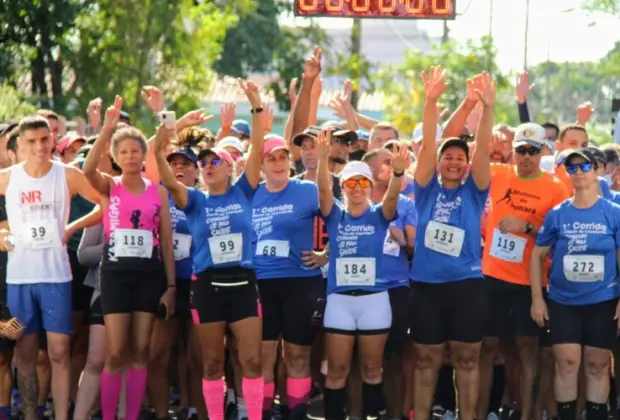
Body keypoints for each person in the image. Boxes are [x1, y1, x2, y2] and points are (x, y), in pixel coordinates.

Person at [153, 79, 265, 420]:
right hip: (207, 287)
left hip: (243, 284)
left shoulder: (243, 191)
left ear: (230, 167)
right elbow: (165, 171)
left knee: (252, 361)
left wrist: (256, 106)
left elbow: (257, 149)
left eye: (215, 161)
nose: (208, 165)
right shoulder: (195, 200)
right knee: (212, 362)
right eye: (203, 163)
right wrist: (165, 136)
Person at [82, 96, 176, 420]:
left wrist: (172, 286)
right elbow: (87, 169)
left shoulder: (157, 191)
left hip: (149, 276)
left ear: (143, 154)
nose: (131, 156)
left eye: (136, 150)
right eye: (123, 152)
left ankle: (131, 415)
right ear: (116, 156)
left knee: (140, 352)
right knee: (116, 352)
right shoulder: (109, 187)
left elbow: (165, 239)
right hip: (116, 277)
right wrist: (107, 129)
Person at [0, 115, 99, 420]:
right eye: (32, 141)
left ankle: (60, 415)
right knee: (24, 353)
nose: (40, 146)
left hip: (56, 276)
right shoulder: (7, 178)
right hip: (19, 279)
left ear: (52, 139)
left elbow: (106, 203)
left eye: (45, 139)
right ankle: (30, 415)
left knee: (58, 352)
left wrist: (71, 228)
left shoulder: (67, 175)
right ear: (20, 145)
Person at [408, 68, 494, 420]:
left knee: (468, 359)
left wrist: (488, 108)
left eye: (460, 157)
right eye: (449, 157)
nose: (455, 161)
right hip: (426, 288)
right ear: (440, 163)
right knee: (426, 361)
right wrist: (430, 101)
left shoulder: (475, 191)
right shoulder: (426, 190)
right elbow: (430, 142)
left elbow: (484, 148)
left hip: (467, 287)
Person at [317, 128, 405, 419]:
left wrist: (398, 174)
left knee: (371, 368)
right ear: (343, 187)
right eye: (350, 183)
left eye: (362, 183)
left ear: (369, 187)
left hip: (374, 301)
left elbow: (392, 201)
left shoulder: (379, 214)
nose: (356, 188)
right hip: (340, 301)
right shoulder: (334, 214)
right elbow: (322, 191)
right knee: (337, 369)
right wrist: (321, 159)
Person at [531, 148, 620, 420]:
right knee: (566, 363)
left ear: (597, 171)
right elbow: (537, 255)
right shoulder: (558, 214)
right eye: (572, 168)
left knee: (597, 365)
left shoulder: (613, 212)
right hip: (563, 301)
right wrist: (537, 298)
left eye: (584, 167)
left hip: (603, 301)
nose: (578, 173)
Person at [252, 135, 325, 419]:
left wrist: (326, 254)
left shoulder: (307, 190)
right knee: (263, 357)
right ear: (260, 162)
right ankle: (265, 413)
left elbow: (342, 219)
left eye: (282, 157)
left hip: (300, 282)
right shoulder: (251, 193)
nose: (278, 163)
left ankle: (296, 414)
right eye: (271, 158)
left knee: (297, 356)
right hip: (261, 283)